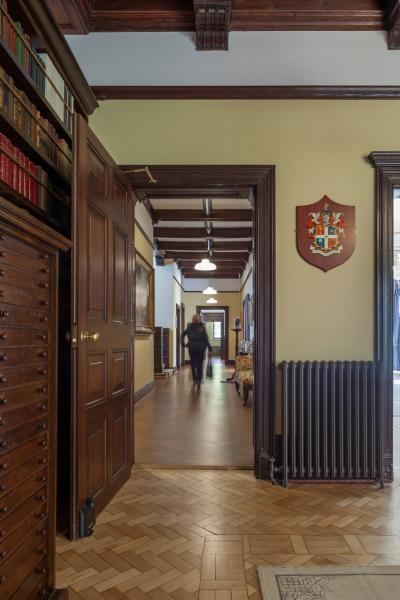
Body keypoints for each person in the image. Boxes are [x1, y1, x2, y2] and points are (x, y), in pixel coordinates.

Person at [181, 314, 212, 388]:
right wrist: (210, 349)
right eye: (197, 320)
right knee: (199, 365)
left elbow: (182, 335)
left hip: (192, 349)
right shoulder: (202, 328)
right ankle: (198, 380)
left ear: (192, 320)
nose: (196, 321)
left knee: (193, 364)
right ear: (199, 320)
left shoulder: (189, 328)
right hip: (200, 349)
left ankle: (195, 380)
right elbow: (206, 339)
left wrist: (183, 344)